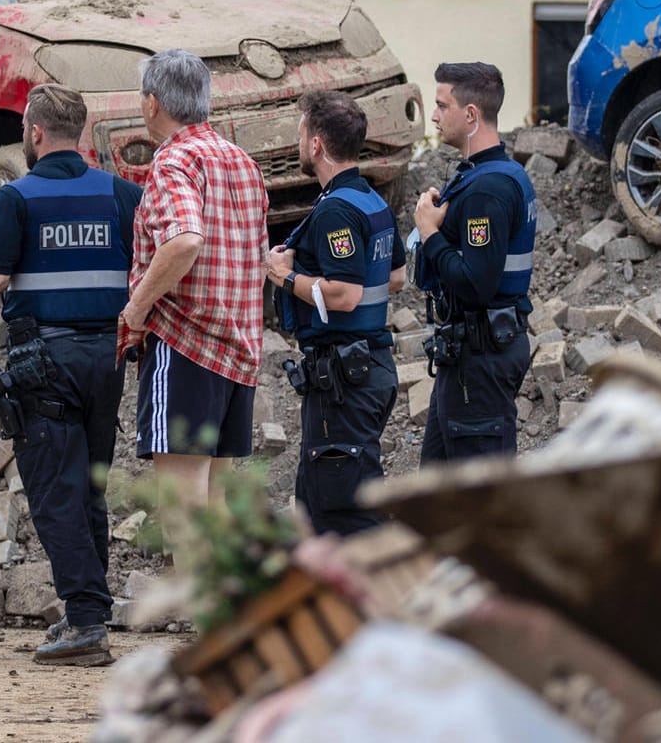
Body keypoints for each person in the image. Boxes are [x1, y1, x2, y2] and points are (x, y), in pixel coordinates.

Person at [0, 84, 142, 668]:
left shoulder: (17, 198)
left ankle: (87, 622)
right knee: (89, 485)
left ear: (34, 134)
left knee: (54, 491)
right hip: (108, 358)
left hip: (46, 361)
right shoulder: (121, 194)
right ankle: (88, 610)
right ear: (83, 132)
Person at [120, 49, 268, 508]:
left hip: (185, 347)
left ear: (151, 103)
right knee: (215, 506)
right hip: (236, 352)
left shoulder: (173, 163)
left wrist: (136, 309)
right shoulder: (241, 160)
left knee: (183, 512)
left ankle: (192, 584)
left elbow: (184, 239)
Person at [265, 90, 405, 536]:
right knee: (319, 501)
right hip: (366, 368)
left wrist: (284, 277)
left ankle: (380, 597)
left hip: (345, 379)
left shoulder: (337, 212)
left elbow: (344, 294)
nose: (298, 142)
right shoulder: (371, 200)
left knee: (344, 508)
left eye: (301, 132)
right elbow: (397, 276)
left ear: (316, 145)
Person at [413, 62, 537, 465]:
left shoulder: (488, 188)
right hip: (469, 357)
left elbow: (476, 283)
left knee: (479, 501)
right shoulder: (495, 175)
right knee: (437, 495)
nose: (433, 115)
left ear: (470, 115)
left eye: (440, 105)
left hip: (480, 360)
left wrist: (430, 234)